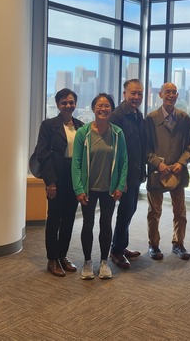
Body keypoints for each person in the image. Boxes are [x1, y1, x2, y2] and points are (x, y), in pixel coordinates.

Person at [72, 93, 128, 280]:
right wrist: (79, 189)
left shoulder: (118, 133)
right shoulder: (83, 133)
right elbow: (76, 163)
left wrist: (120, 185)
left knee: (106, 224)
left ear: (111, 109)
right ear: (93, 108)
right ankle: (87, 262)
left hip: (109, 189)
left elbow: (123, 161)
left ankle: (104, 261)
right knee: (87, 225)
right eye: (99, 106)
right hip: (89, 189)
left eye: (107, 106)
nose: (103, 109)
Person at [33, 88, 84, 277]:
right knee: (54, 219)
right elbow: (42, 154)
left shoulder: (80, 126)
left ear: (75, 104)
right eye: (64, 102)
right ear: (58, 105)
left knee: (69, 219)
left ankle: (63, 255)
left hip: (74, 178)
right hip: (56, 177)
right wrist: (50, 182)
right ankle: (52, 259)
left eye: (71, 102)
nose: (68, 105)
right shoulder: (49, 125)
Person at [145, 82, 190, 260]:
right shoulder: (150, 119)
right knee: (154, 212)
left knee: (180, 212)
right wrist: (158, 163)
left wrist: (182, 162)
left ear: (177, 95)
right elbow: (145, 148)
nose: (171, 95)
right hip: (158, 172)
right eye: (167, 92)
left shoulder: (184, 118)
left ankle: (178, 244)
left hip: (178, 172)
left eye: (174, 92)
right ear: (160, 94)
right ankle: (153, 245)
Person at [109, 79, 147, 269]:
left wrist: (143, 172)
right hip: (123, 176)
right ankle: (116, 251)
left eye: (139, 93)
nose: (137, 97)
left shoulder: (138, 115)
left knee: (129, 210)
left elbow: (140, 145)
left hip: (136, 173)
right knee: (124, 212)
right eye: (133, 93)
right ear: (124, 94)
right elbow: (114, 150)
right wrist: (119, 178)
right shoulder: (116, 117)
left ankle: (121, 246)